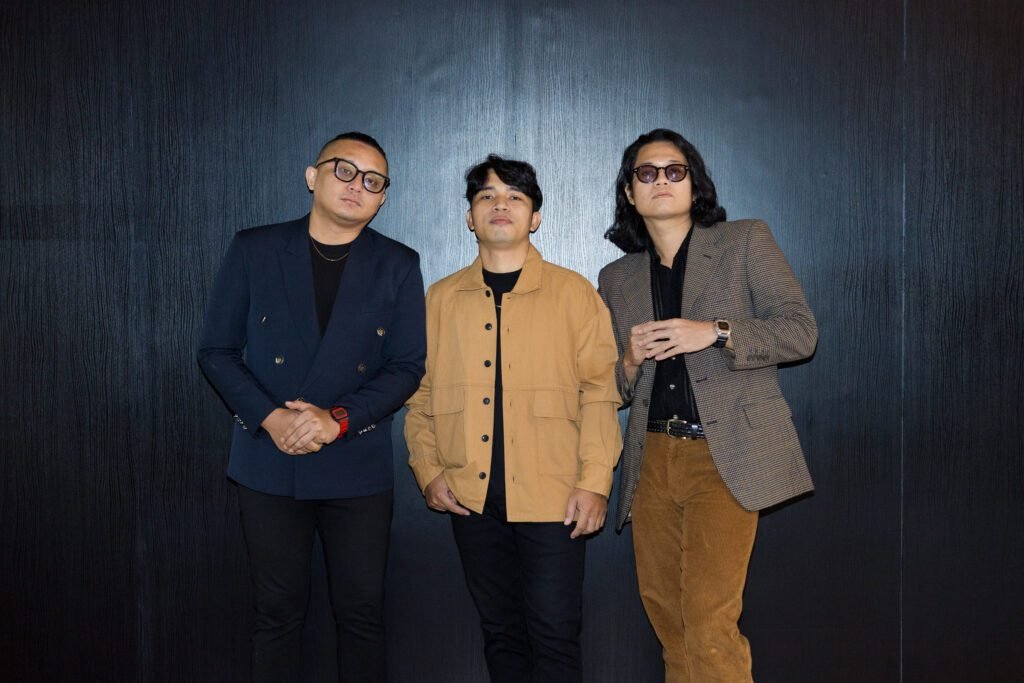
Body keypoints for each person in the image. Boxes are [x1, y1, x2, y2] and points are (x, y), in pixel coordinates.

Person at [197, 131, 426, 682]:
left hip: (356, 465)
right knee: (276, 614)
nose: (357, 186)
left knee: (362, 614)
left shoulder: (397, 263)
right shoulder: (255, 248)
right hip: (268, 460)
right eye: (344, 170)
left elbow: (406, 367)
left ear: (382, 199)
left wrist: (337, 420)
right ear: (312, 176)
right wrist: (272, 418)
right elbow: (216, 351)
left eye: (373, 181)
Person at [598, 128, 817, 682]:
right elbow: (615, 388)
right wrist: (629, 360)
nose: (661, 181)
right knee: (670, 622)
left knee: (708, 623)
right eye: (647, 173)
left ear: (694, 184)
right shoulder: (617, 278)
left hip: (725, 456)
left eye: (675, 171)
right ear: (629, 191)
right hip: (651, 460)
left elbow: (800, 332)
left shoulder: (744, 241)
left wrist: (716, 332)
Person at [405, 154, 621, 683]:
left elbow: (600, 392)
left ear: (535, 217)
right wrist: (428, 470)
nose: (500, 205)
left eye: (515, 197)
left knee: (554, 634)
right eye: (487, 196)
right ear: (469, 217)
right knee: (500, 632)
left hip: (555, 497)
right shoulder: (440, 299)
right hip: (471, 497)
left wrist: (595, 482)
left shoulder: (573, 293)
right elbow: (420, 397)